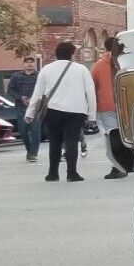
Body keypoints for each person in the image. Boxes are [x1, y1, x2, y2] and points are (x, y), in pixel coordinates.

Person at [24, 42, 96, 183]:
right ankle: (72, 173)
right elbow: (90, 93)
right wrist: (92, 114)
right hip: (76, 110)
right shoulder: (82, 70)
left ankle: (53, 173)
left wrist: (30, 112)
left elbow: (38, 94)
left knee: (55, 141)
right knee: (72, 141)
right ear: (72, 54)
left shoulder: (46, 69)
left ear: (56, 54)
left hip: (53, 110)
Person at [92, 37, 129, 179]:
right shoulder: (126, 63)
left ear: (105, 48)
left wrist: (93, 108)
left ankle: (118, 166)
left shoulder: (98, 66)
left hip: (106, 106)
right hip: (126, 105)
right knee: (128, 136)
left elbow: (93, 88)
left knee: (112, 137)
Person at [6, 57, 41, 162]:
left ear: (34, 64)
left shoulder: (39, 76)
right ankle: (29, 150)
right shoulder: (16, 76)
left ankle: (33, 154)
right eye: (27, 62)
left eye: (31, 62)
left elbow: (45, 90)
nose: (29, 64)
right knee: (23, 131)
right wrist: (20, 98)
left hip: (36, 108)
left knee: (36, 131)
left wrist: (33, 99)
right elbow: (10, 90)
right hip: (21, 108)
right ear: (23, 64)